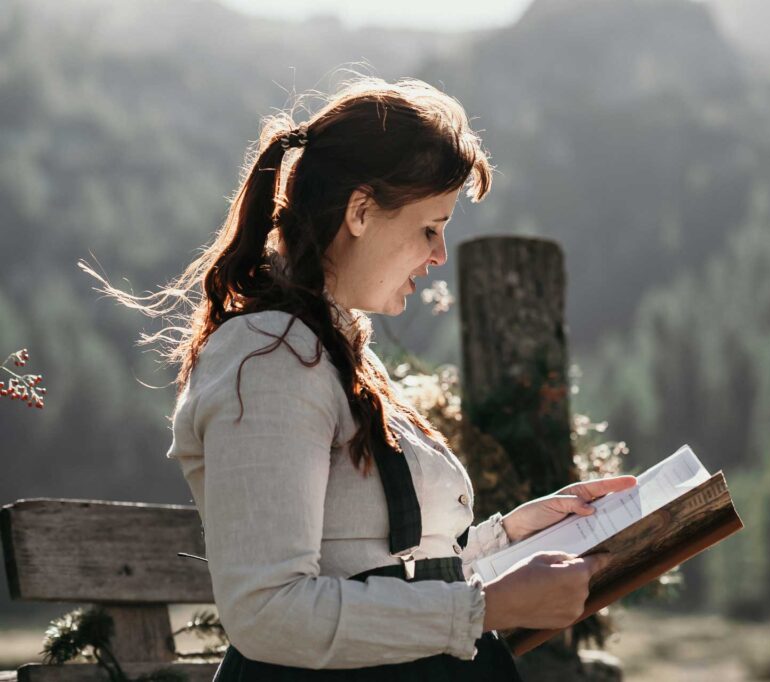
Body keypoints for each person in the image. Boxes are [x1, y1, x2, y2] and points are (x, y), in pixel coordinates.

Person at [96, 76, 636, 679]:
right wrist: (490, 606)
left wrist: (508, 540)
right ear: (359, 212)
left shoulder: (335, 352)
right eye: (430, 228)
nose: (439, 255)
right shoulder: (270, 357)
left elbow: (375, 563)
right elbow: (269, 611)